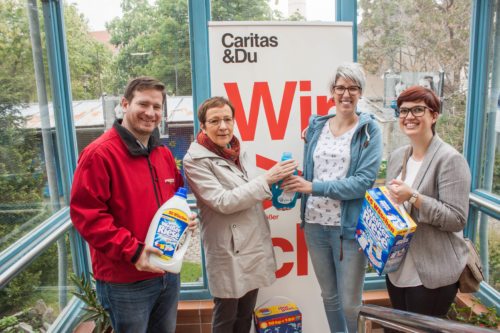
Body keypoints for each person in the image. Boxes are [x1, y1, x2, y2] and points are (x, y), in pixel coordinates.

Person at [70, 76, 197, 333]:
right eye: (143, 104)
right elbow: (87, 216)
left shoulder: (161, 154)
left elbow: (174, 200)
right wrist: (133, 251)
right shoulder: (99, 154)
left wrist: (186, 221)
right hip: (127, 281)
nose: (150, 113)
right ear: (125, 104)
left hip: (167, 274)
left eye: (157, 107)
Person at [282, 63, 383, 333]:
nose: (346, 94)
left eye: (353, 88)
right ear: (332, 92)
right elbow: (313, 168)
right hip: (314, 225)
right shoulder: (316, 127)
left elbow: (362, 183)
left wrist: (313, 187)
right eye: (340, 88)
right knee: (330, 297)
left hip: (348, 230)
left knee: (350, 304)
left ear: (360, 92)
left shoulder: (369, 131)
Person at [183, 96, 297, 333]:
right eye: (214, 121)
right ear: (202, 126)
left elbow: (247, 187)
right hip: (229, 250)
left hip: (252, 244)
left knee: (245, 316)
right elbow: (222, 202)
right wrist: (267, 179)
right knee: (226, 318)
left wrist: (278, 187)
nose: (223, 126)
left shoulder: (236, 150)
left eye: (227, 119)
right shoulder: (194, 161)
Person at [384, 85, 470, 321]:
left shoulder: (450, 159)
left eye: (418, 110)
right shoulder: (397, 156)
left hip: (430, 272)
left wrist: (414, 197)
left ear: (434, 115)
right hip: (397, 267)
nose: (409, 117)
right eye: (403, 111)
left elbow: (457, 219)